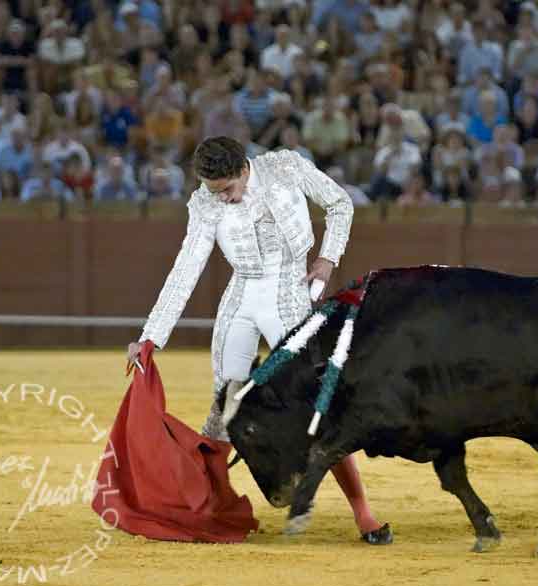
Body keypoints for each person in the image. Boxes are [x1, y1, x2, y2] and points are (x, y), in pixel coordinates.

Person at [126, 136, 390, 544]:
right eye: (215, 192)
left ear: (244, 168)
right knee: (224, 407)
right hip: (241, 297)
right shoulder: (205, 202)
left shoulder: (285, 168)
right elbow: (187, 267)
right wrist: (150, 336)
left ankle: (364, 514)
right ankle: (211, 510)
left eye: (228, 189)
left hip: (290, 290)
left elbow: (340, 204)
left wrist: (327, 257)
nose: (224, 200)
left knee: (320, 407)